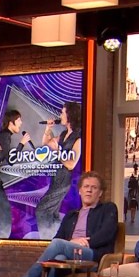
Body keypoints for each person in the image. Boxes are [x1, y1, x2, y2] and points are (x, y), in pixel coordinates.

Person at [0, 172, 117, 277]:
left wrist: (86, 242)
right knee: (55, 260)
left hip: (93, 256)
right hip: (71, 256)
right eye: (86, 186)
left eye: (94, 187)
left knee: (57, 246)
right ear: (79, 191)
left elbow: (107, 234)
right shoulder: (72, 215)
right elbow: (58, 237)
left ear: (100, 193)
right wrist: (72, 242)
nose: (89, 190)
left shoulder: (108, 209)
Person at [36, 102, 82, 239]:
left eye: (62, 113)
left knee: (41, 210)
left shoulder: (78, 138)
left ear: (70, 115)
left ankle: (47, 237)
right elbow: (46, 143)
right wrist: (48, 129)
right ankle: (58, 237)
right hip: (55, 179)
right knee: (52, 214)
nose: (60, 115)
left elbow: (71, 164)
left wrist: (57, 152)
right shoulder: (63, 134)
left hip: (63, 181)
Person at [0, 109, 32, 239]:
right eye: (18, 120)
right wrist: (22, 143)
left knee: (2, 208)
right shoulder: (4, 136)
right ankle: (0, 235)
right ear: (11, 122)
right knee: (3, 209)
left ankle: (1, 234)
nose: (21, 123)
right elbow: (11, 160)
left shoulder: (5, 136)